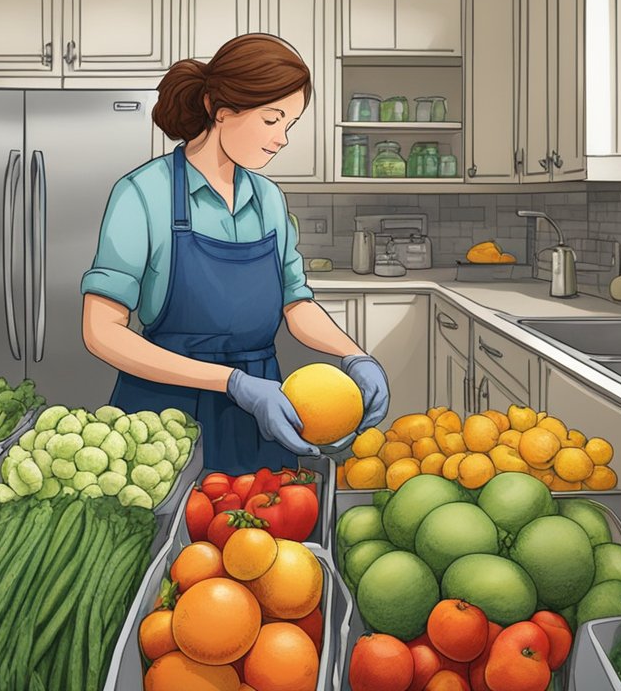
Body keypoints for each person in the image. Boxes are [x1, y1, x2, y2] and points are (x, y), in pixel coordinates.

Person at [80, 33, 389, 473]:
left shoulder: (268, 199)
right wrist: (231, 382)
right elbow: (101, 331)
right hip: (164, 421)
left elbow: (295, 302)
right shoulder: (143, 193)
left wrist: (354, 353)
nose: (282, 139)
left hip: (262, 416)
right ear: (219, 109)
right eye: (271, 119)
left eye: (290, 125)